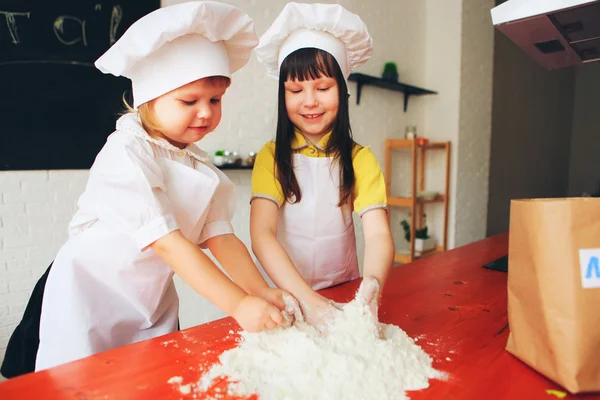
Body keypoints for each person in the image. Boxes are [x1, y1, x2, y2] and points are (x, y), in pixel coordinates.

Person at [12, 1, 290, 373]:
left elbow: (222, 239)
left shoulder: (198, 164)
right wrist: (239, 305)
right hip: (87, 295)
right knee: (80, 383)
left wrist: (261, 290)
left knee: (148, 378)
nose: (205, 112)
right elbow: (168, 243)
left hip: (148, 300)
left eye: (215, 99)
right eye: (189, 100)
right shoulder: (126, 154)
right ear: (148, 100)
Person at [250, 3, 394, 327]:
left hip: (343, 294)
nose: (310, 101)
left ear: (342, 90)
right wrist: (307, 300)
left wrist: (373, 282)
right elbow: (262, 234)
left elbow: (378, 234)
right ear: (282, 94)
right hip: (283, 298)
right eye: (296, 90)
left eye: (323, 88)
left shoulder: (360, 159)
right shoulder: (271, 158)